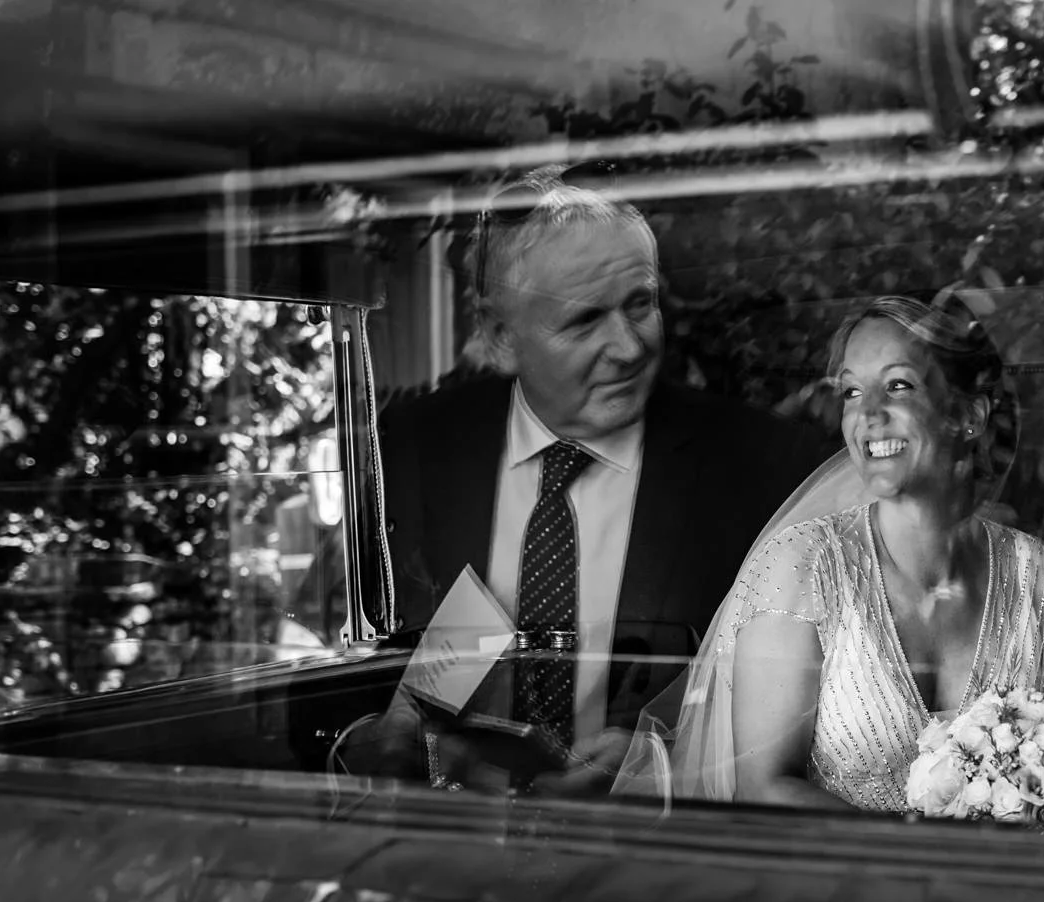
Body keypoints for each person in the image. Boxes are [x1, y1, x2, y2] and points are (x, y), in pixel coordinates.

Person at [350, 164, 829, 793]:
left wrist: (660, 760)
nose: (629, 349)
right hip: (451, 859)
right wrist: (380, 739)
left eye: (641, 304)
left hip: (657, 868)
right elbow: (336, 661)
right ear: (499, 336)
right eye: (583, 321)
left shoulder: (765, 469)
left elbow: (818, 717)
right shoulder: (414, 450)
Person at [640, 295, 1044, 810]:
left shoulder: (1042, 579)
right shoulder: (800, 566)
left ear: (968, 415)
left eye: (898, 385)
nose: (868, 414)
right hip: (843, 885)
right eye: (852, 391)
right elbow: (762, 788)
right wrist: (922, 865)